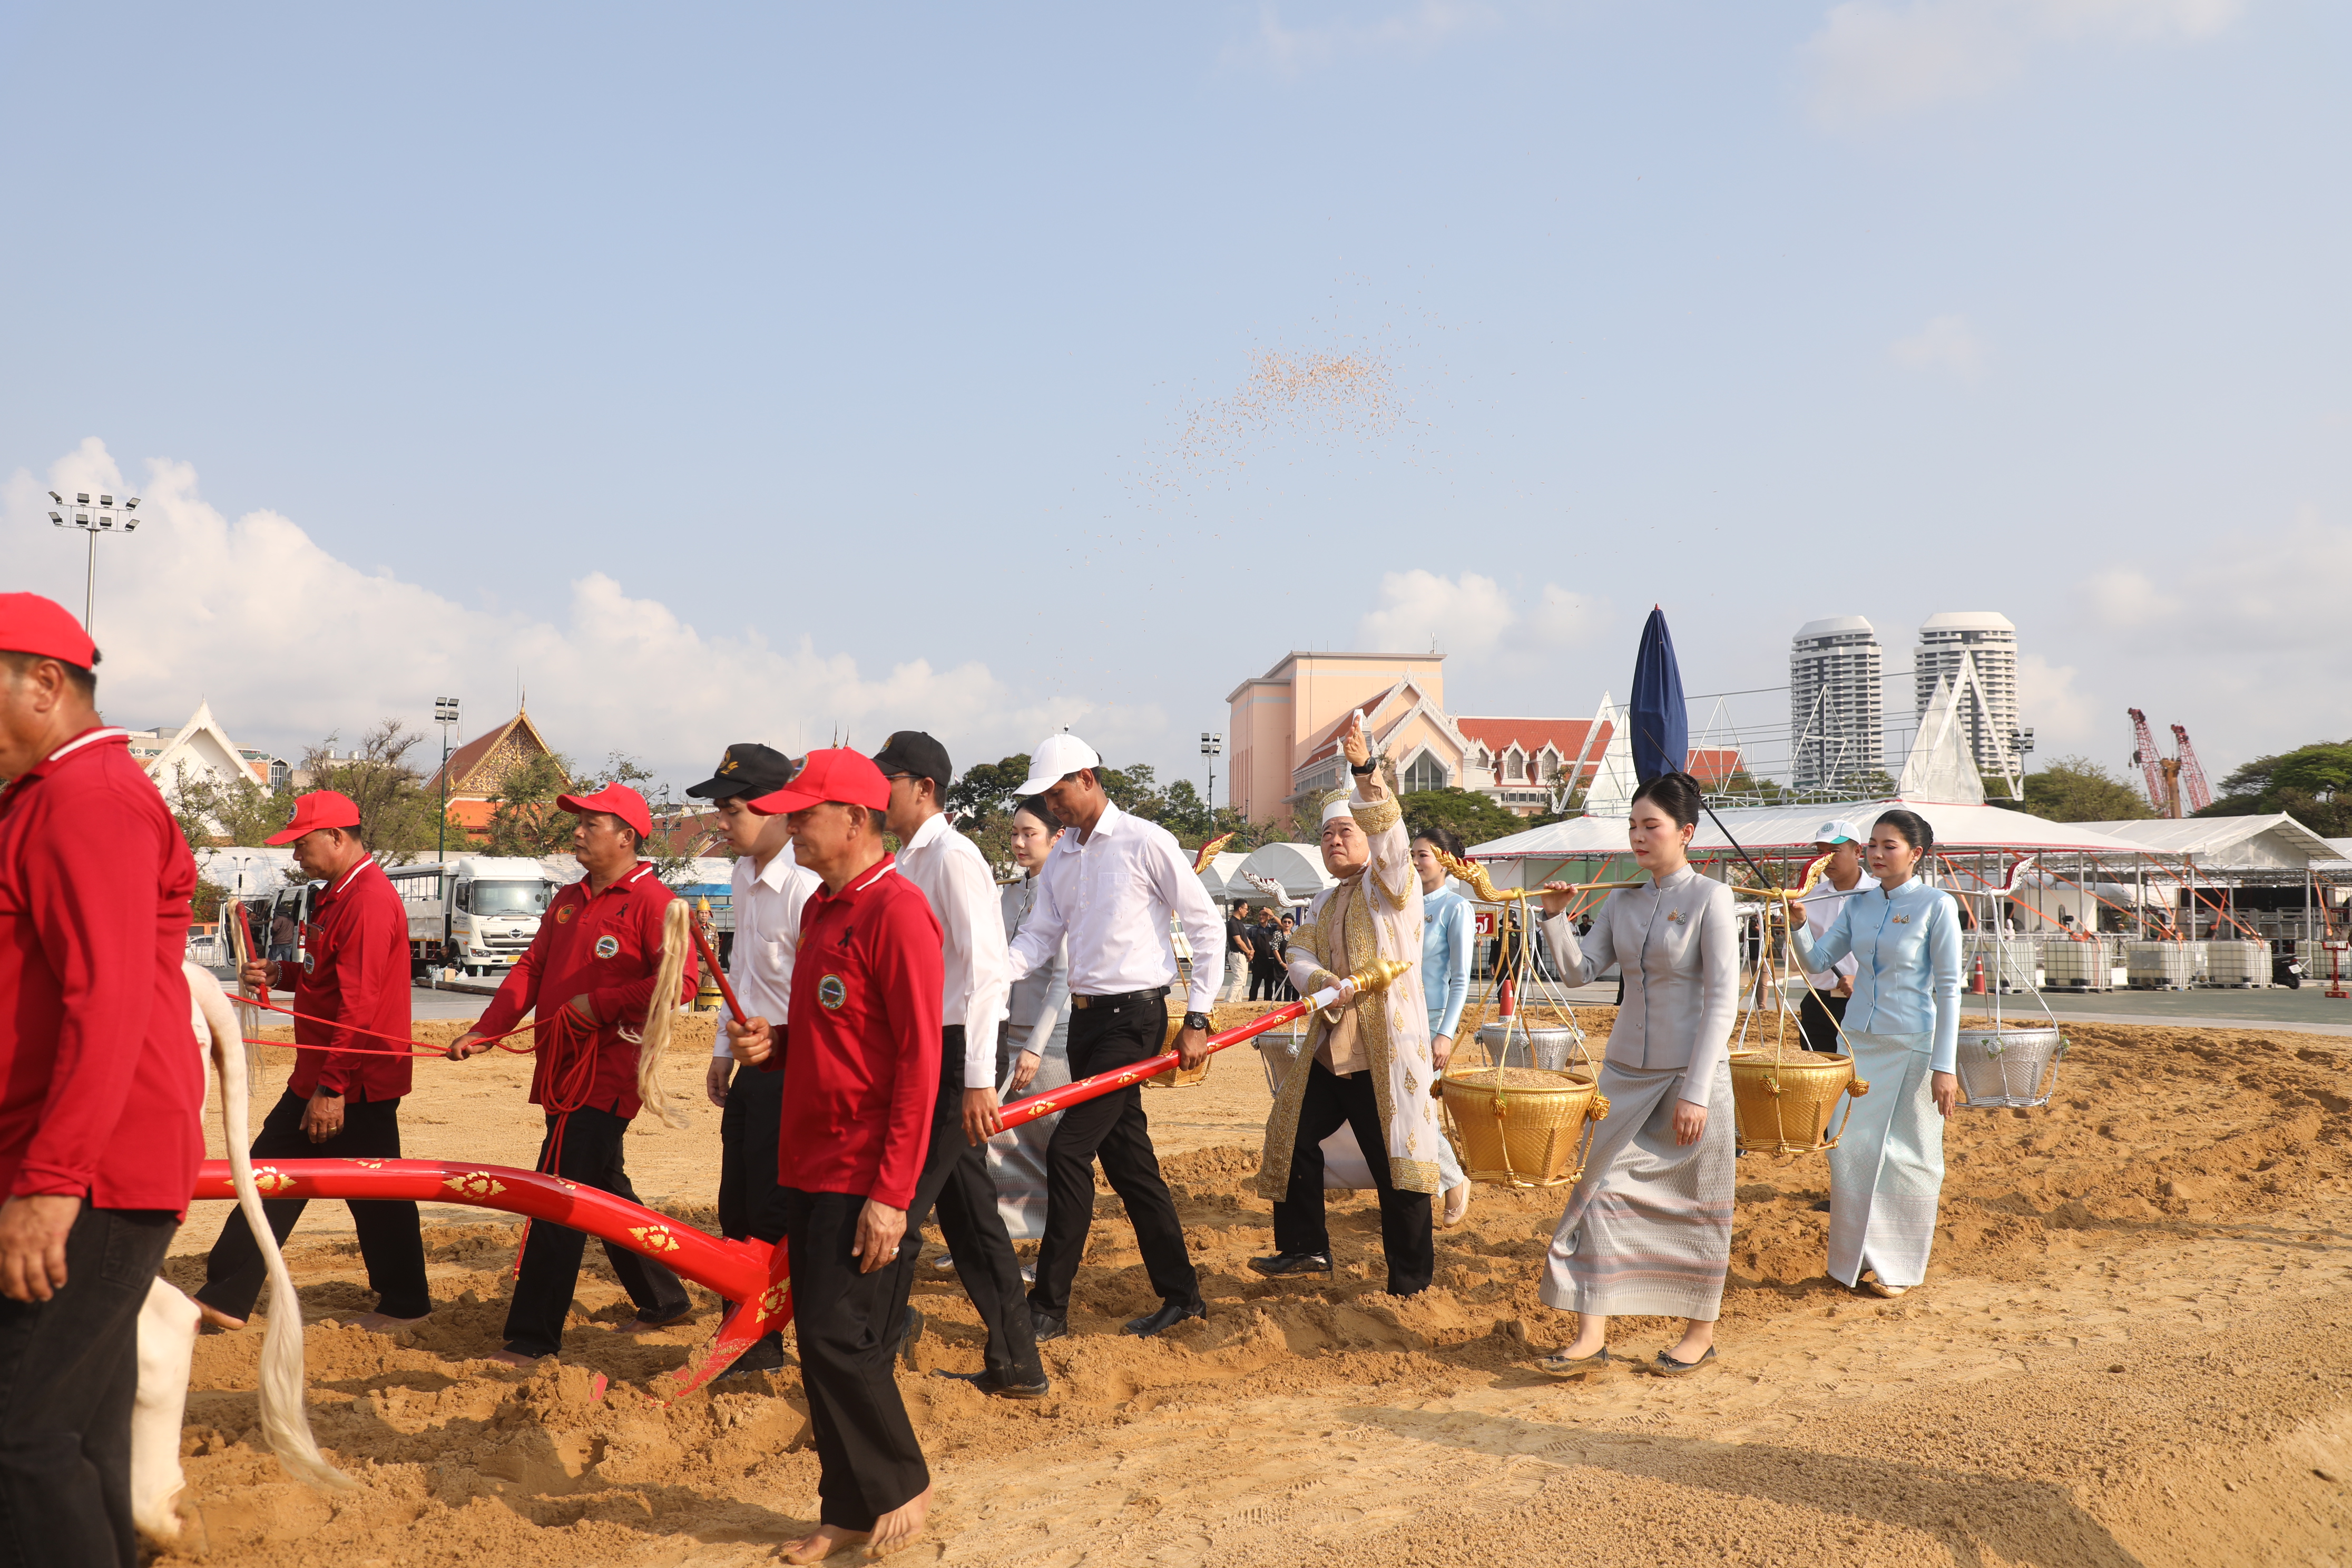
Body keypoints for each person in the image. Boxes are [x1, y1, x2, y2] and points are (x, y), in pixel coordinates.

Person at [0, 594, 207, 1567]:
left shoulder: (91, 801)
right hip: (81, 1159)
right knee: (80, 1437)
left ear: (45, 684)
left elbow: (108, 1001)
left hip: (93, 1172)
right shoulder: (50, 796)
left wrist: (50, 1184)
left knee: (20, 1445)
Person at [723, 749, 940, 1562]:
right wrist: (770, 1046)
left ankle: (901, 1480)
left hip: (862, 1165)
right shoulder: (822, 908)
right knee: (817, 1343)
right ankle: (846, 1509)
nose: (791, 826)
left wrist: (893, 1193)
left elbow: (921, 1063)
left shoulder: (898, 913)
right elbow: (827, 1035)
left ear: (855, 820)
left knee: (837, 1334)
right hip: (807, 1156)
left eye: (804, 814)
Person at [448, 782, 696, 1365]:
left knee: (556, 1194)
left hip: (606, 1073)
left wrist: (601, 1004)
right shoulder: (567, 899)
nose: (578, 832)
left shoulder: (658, 903)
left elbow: (680, 985)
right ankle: (663, 1298)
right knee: (601, 1185)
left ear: (627, 837)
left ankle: (532, 1337)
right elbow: (530, 971)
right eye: (577, 823)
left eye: (590, 824)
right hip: (560, 1068)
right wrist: (487, 1030)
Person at [1004, 731, 1222, 1341]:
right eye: (1046, 797)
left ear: (1088, 779)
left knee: (1069, 1150)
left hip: (1136, 1020)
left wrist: (1198, 1017)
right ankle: (1183, 1296)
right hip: (1088, 1021)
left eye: (1058, 793)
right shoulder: (1064, 857)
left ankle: (1048, 1307)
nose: (1053, 807)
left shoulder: (1145, 841)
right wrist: (994, 966)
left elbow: (1206, 925)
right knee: (1129, 1165)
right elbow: (1040, 938)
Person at [195, 789, 431, 1335]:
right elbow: (333, 981)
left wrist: (332, 1088)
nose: (295, 856)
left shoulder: (368, 901)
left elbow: (360, 1003)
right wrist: (285, 977)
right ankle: (227, 1296)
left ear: (337, 838)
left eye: (301, 844)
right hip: (329, 1074)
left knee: (342, 1188)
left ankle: (404, 1302)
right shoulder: (336, 895)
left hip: (353, 1079)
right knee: (289, 1180)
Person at [1534, 772, 1737, 1378]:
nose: (1639, 837)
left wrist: (1697, 1092)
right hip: (1624, 1073)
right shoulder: (1621, 899)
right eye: (1633, 827)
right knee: (1598, 1193)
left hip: (1691, 1076)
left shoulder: (1711, 898)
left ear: (1686, 832)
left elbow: (1724, 999)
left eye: (1652, 826)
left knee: (1698, 1204)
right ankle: (1589, 1331)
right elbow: (1579, 973)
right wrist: (1554, 920)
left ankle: (1700, 1332)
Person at [868, 731, 1045, 1399]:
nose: (878, 794)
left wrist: (976, 1079)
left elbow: (985, 973)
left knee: (899, 1211)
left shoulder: (953, 855)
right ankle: (1018, 1363)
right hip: (926, 1048)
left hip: (956, 1051)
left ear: (924, 788)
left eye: (889, 781)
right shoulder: (906, 859)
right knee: (971, 1219)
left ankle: (871, 1367)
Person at [1252, 714, 1442, 1296]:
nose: (1335, 841)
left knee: (1397, 1169)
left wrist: (1365, 772)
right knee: (1291, 1132)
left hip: (1385, 1050)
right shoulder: (1324, 900)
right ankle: (1306, 1248)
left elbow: (1390, 840)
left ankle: (1410, 1281)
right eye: (1328, 835)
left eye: (1347, 833)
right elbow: (1298, 953)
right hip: (1333, 1048)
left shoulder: (1393, 887)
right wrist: (1321, 980)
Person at [1787, 809, 1964, 1299]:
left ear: (1916, 854)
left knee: (1912, 1155)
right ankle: (1854, 1261)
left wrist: (1943, 1066)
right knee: (1851, 1148)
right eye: (1872, 845)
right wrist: (1799, 925)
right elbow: (1818, 962)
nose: (1877, 854)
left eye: (1890, 846)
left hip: (1914, 1044)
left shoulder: (1937, 905)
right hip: (1859, 1040)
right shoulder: (1859, 905)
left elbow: (1950, 989)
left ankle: (1899, 1268)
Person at [683, 743, 817, 1377]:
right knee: (735, 1203)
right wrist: (720, 1051)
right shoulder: (743, 875)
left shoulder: (805, 883)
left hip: (798, 1064)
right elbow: (739, 973)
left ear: (772, 810)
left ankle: (763, 1340)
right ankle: (745, 1319)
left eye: (730, 810)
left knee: (771, 1207)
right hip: (753, 1061)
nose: (721, 823)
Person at [987, 795, 1070, 1249]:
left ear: (1058, 837)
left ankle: (1053, 1246)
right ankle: (1009, 1236)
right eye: (1015, 833)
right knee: (1000, 1145)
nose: (1019, 843)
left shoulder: (1066, 893)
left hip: (1051, 1041)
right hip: (1005, 1034)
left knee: (1051, 1145)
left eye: (1030, 833)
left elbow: (1063, 979)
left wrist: (1036, 1047)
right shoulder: (1009, 894)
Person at [1410, 825, 1477, 1226]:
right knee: (1403, 1106)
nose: (1415, 862)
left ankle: (1453, 1180)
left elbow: (1461, 979)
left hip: (1432, 1022)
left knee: (1417, 1107)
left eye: (1423, 855)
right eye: (1412, 854)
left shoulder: (1456, 908)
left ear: (1447, 862)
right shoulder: (1404, 906)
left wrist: (1445, 1034)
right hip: (1399, 1018)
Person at [1796, 819, 1866, 1054]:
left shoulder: (1879, 895)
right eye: (1820, 853)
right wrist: (1795, 928)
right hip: (1820, 1004)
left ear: (1858, 851)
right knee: (1820, 1081)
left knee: (1862, 1079)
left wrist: (1863, 980)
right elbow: (1795, 958)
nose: (1826, 859)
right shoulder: (1808, 899)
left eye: (1834, 851)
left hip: (1867, 1002)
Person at [1222, 902, 1256, 1003]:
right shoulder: (1232, 923)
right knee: (1238, 980)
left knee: (1243, 982)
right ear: (1240, 909)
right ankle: (1228, 1002)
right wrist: (1248, 951)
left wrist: (1251, 949)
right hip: (1237, 954)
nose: (1247, 912)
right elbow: (1239, 941)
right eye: (1246, 909)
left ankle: (1238, 1002)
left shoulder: (1240, 922)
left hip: (1243, 955)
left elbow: (1245, 938)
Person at [1248, 909, 1283, 1001]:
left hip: (1270, 963)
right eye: (1260, 915)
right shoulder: (1253, 930)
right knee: (1255, 986)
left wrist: (1273, 915)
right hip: (1258, 962)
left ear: (1268, 917)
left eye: (1264, 915)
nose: (1261, 917)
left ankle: (1266, 1005)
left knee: (1269, 987)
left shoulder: (1273, 928)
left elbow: (1283, 926)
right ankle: (1251, 1004)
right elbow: (1245, 939)